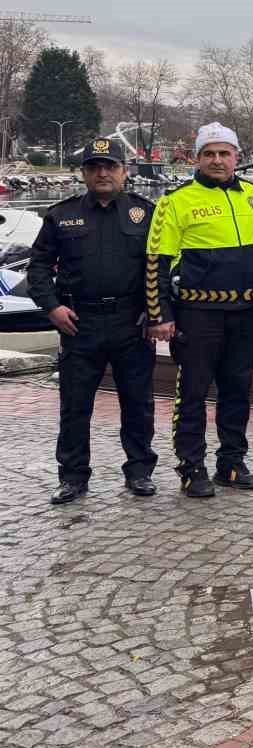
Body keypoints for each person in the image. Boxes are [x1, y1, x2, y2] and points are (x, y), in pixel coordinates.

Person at [27, 138, 158, 503]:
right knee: (74, 405)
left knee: (138, 403)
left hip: (132, 322)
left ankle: (140, 471)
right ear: (84, 173)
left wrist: (156, 308)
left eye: (110, 166)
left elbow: (163, 265)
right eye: (94, 167)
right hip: (79, 323)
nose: (102, 173)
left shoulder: (146, 213)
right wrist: (51, 307)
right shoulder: (60, 215)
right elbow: (38, 266)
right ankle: (72, 477)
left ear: (124, 171)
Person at [147, 122, 253, 497]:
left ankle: (231, 463)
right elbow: (157, 260)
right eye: (209, 154)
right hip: (197, 315)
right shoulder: (175, 201)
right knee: (194, 393)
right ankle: (191, 466)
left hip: (245, 313)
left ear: (237, 157)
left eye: (224, 153)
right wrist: (159, 314)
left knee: (237, 390)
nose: (217, 160)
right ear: (198, 158)